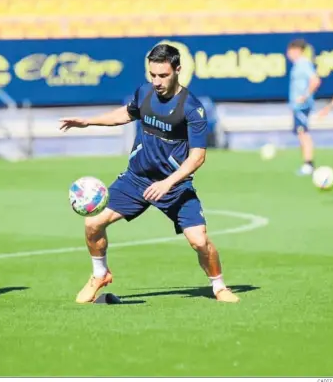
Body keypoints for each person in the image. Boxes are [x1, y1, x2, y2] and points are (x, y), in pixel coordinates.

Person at [59, 44, 239, 304]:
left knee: (199, 241)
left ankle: (219, 287)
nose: (156, 81)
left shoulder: (192, 108)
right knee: (93, 224)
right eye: (152, 75)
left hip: (174, 186)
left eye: (163, 75)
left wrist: (169, 182)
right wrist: (89, 121)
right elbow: (126, 114)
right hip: (136, 179)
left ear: (178, 70)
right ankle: (100, 274)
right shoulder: (144, 93)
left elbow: (197, 156)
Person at [286, 39, 322, 175]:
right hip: (297, 106)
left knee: (303, 134)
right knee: (301, 134)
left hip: (302, 106)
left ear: (296, 51)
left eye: (290, 51)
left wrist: (305, 96)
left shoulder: (303, 64)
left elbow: (315, 80)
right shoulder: (298, 65)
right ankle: (306, 163)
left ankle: (309, 164)